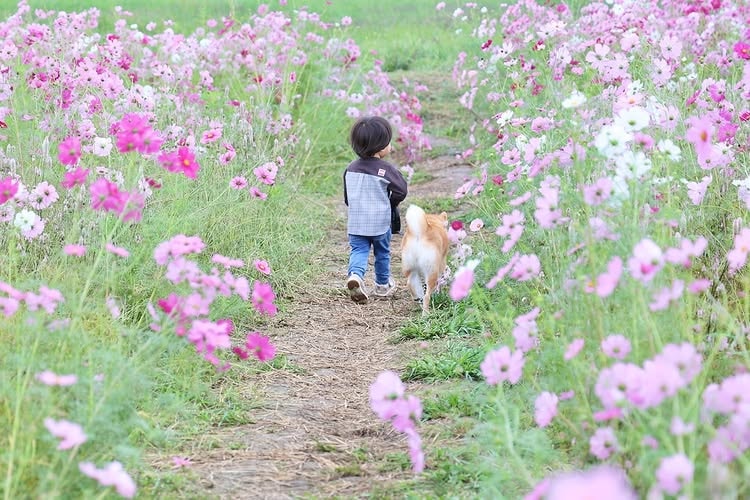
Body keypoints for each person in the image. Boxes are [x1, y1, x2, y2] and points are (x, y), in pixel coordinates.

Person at [343, 116, 407, 304]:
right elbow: (401, 190)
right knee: (382, 252)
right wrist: (391, 202)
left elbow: (348, 197)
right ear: (381, 147)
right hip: (380, 222)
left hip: (356, 223)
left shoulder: (351, 168)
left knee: (359, 250)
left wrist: (355, 206)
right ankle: (381, 285)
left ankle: (355, 275)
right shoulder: (385, 169)